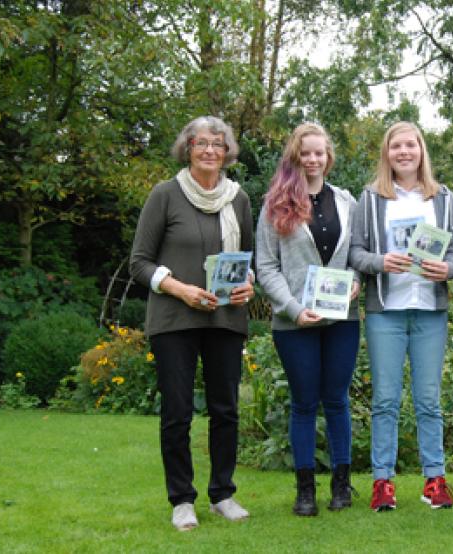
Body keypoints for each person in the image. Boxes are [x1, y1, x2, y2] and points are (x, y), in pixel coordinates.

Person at [129, 116, 254, 531]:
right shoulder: (165, 195)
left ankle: (223, 493)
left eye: (218, 144)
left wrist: (247, 287)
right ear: (188, 148)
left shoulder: (239, 200)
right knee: (177, 412)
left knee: (226, 410)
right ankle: (182, 499)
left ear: (227, 152)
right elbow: (139, 263)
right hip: (174, 318)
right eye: (201, 143)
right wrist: (180, 289)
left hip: (225, 318)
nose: (209, 151)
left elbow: (247, 262)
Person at [349, 122, 453, 511]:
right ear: (387, 153)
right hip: (387, 312)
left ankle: (435, 480)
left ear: (421, 149)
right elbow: (356, 253)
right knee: (385, 400)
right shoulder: (372, 198)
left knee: (429, 400)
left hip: (429, 310)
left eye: (410, 145)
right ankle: (383, 482)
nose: (404, 152)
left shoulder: (443, 198)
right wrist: (382, 262)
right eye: (396, 146)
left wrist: (447, 269)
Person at [255, 122, 360, 517]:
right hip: (294, 322)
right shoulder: (275, 204)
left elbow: (358, 255)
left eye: (319, 153)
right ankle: (305, 491)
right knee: (303, 404)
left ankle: (341, 484)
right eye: (306, 153)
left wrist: (356, 282)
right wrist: (293, 308)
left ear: (328, 157)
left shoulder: (347, 202)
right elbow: (266, 267)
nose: (313, 159)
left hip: (342, 319)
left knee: (336, 401)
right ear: (295, 156)